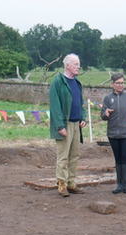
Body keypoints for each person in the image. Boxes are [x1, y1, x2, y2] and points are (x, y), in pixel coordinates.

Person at [49, 53, 88, 197]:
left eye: (79, 64)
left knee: (74, 155)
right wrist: (60, 126)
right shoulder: (58, 82)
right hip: (65, 124)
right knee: (63, 155)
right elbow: (55, 107)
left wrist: (83, 117)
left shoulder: (77, 83)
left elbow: (81, 103)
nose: (79, 67)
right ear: (68, 65)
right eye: (76, 64)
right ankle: (62, 184)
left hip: (76, 124)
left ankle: (71, 183)